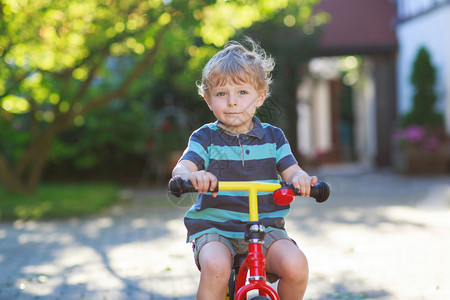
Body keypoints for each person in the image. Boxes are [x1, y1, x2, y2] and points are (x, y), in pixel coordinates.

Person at [171, 37, 318, 300]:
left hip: (266, 227)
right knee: (216, 268)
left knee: (297, 266)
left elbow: (292, 171)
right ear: (208, 99)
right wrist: (191, 176)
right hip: (215, 229)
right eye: (221, 94)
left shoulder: (274, 138)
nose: (231, 102)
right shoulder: (205, 138)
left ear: (260, 97)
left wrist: (302, 179)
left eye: (242, 92)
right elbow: (182, 168)